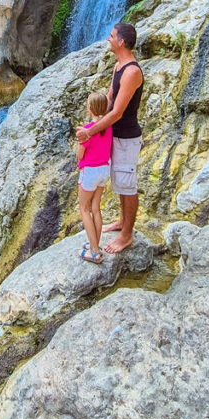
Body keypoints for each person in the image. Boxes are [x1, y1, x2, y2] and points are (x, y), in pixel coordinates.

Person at [76, 21, 143, 253]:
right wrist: (95, 120)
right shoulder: (118, 66)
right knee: (120, 183)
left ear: (121, 42)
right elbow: (108, 101)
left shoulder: (132, 72)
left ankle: (127, 235)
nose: (108, 39)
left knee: (127, 185)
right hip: (115, 135)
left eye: (112, 36)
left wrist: (90, 132)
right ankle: (123, 222)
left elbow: (117, 112)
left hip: (127, 138)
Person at [76, 89, 113, 264]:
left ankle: (94, 252)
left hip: (89, 172)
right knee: (96, 208)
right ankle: (94, 244)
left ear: (90, 109)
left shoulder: (87, 131)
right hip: (104, 170)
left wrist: (79, 141)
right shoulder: (108, 127)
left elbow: (80, 156)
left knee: (84, 209)